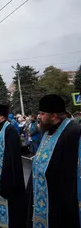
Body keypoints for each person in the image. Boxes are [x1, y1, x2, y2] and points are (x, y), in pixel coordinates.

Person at [26, 94, 81, 227]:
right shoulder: (48, 130)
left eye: (42, 113)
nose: (38, 116)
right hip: (44, 199)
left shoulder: (73, 133)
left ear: (54, 116)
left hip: (60, 205)